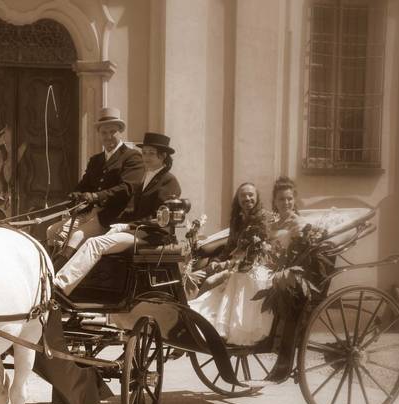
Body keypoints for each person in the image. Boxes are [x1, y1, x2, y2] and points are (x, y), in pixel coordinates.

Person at [54, 132, 181, 294]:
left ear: (163, 156)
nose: (146, 157)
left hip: (152, 235)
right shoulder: (147, 177)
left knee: (94, 243)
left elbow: (160, 217)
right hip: (137, 230)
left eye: (151, 153)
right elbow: (133, 207)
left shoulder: (169, 181)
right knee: (92, 239)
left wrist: (127, 226)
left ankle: (60, 286)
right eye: (144, 152)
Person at [188, 182, 280, 345]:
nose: (247, 198)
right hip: (237, 265)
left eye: (250, 195)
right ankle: (195, 327)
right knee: (206, 277)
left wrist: (226, 265)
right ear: (238, 200)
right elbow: (230, 247)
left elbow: (255, 252)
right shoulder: (237, 220)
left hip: (254, 267)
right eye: (243, 196)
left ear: (257, 197)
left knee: (210, 282)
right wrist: (216, 262)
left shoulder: (263, 219)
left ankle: (202, 327)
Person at [46, 107, 144, 260]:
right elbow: (85, 184)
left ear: (120, 131)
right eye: (104, 133)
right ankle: (49, 270)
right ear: (99, 134)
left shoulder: (132, 157)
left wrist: (96, 196)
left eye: (112, 132)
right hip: (88, 213)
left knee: (77, 236)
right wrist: (76, 194)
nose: (108, 136)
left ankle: (61, 279)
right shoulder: (96, 160)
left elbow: (127, 188)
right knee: (52, 231)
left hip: (112, 216)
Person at [263, 176, 306, 382]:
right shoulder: (272, 224)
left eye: (289, 199)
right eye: (281, 200)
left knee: (259, 282)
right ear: (275, 202)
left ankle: (274, 346)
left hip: (287, 269)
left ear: (294, 199)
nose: (286, 203)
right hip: (270, 266)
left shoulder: (298, 223)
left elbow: (299, 254)